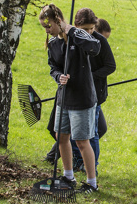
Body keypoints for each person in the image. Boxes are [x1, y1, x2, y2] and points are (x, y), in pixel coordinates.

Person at [40, 4, 101, 194]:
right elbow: (53, 67)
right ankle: (68, 176)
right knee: (61, 136)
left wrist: (73, 31)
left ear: (58, 21)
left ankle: (92, 183)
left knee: (82, 141)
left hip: (82, 97)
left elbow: (95, 47)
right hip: (63, 96)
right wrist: (59, 77)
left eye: (49, 26)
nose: (47, 30)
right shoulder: (53, 44)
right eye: (44, 27)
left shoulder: (77, 36)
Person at [45, 13, 116, 176]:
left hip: (92, 93)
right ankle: (69, 164)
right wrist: (60, 76)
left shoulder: (96, 41)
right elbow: (55, 65)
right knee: (63, 133)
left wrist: (89, 76)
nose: (89, 32)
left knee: (93, 132)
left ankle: (91, 169)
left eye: (91, 29)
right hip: (69, 93)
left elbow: (110, 65)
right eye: (85, 29)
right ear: (76, 27)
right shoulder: (67, 40)